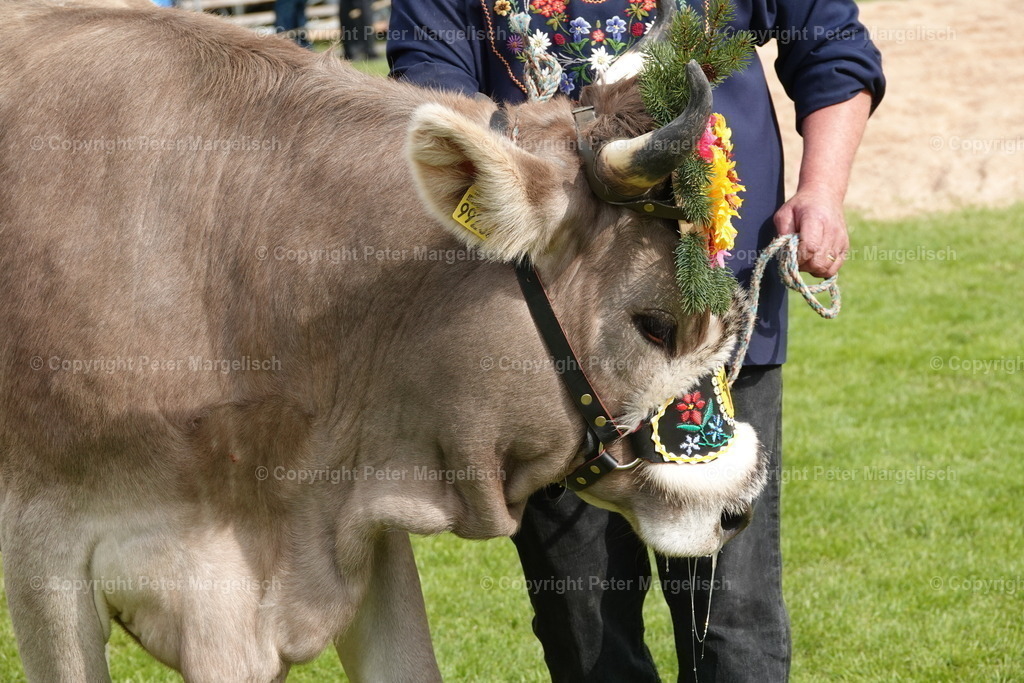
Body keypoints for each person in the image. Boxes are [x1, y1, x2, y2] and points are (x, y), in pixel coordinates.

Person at [388, 1, 884, 680]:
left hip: (710, 327)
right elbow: (430, 100)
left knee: (732, 621)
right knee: (587, 633)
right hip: (558, 350)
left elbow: (830, 46)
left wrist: (822, 193)